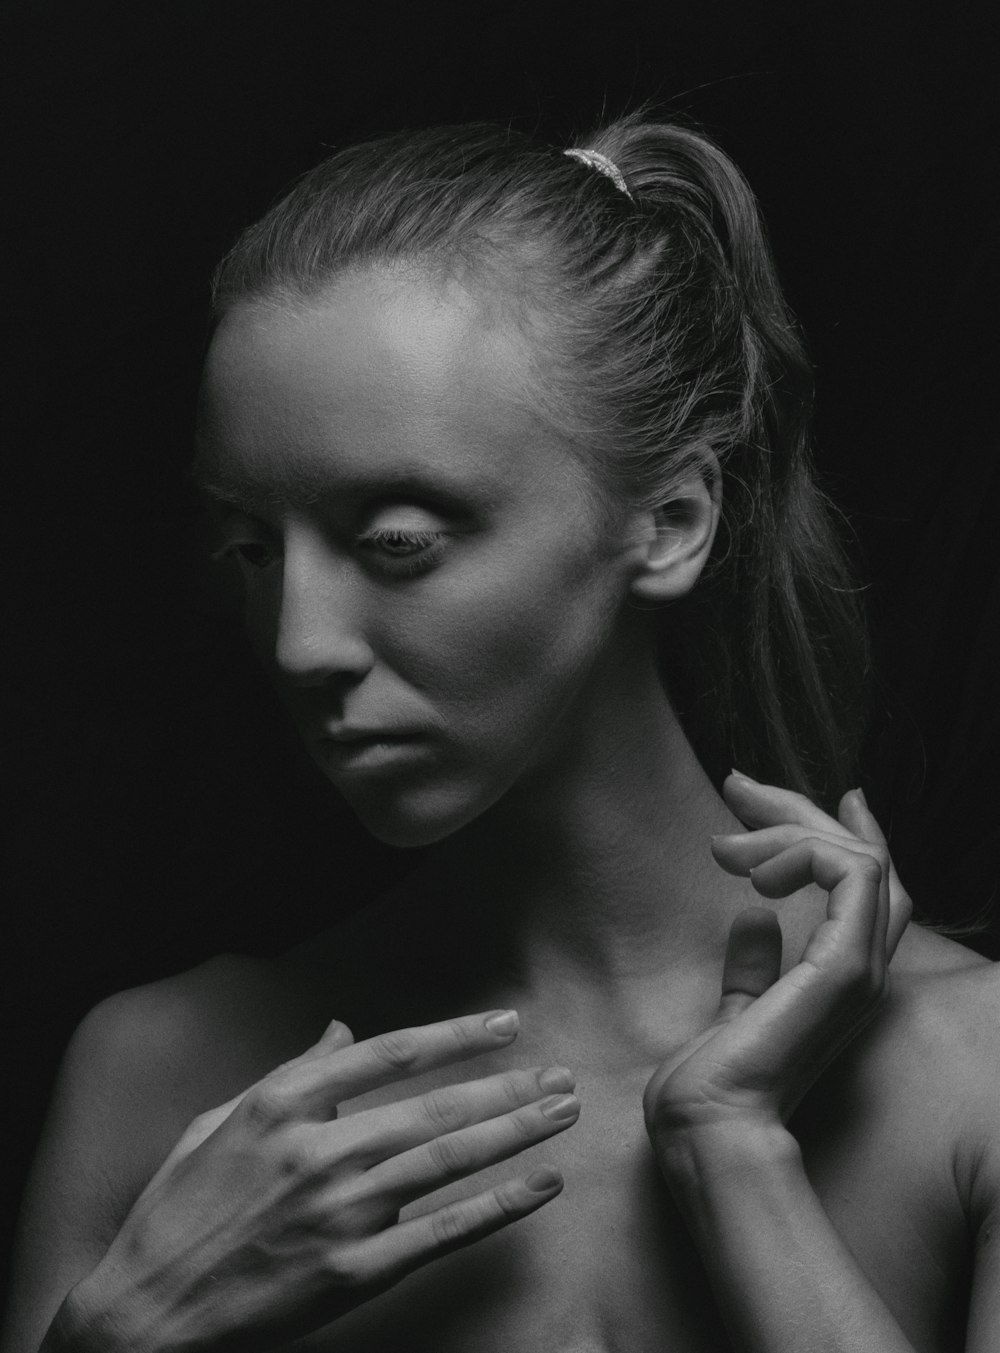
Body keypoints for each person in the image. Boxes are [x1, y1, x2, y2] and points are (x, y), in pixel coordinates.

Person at [3, 109, 996, 1353]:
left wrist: (733, 1150)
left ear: (673, 522)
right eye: (251, 548)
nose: (298, 640)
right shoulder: (163, 1074)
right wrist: (119, 1338)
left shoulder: (971, 1072)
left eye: (396, 544)